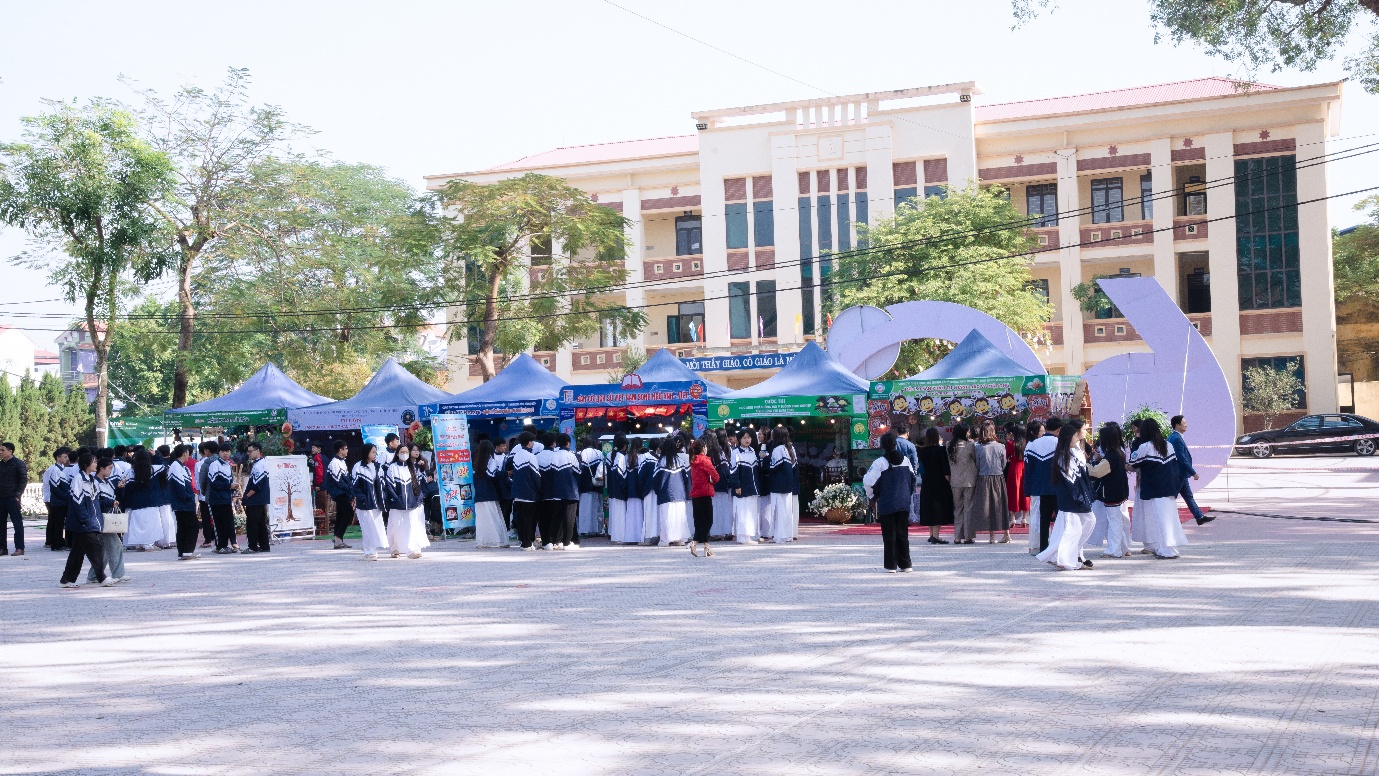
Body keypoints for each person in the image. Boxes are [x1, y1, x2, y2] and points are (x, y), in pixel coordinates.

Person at [1036, 418, 1096, 571]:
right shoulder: (1063, 455)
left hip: (1077, 496)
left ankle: (1066, 556)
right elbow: (1070, 479)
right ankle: (1066, 559)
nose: (1078, 437)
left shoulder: (1074, 451)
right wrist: (1078, 496)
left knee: (1080, 525)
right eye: (1075, 435)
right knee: (1072, 529)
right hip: (1071, 497)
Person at [1130, 418, 1189, 559]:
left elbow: (1133, 463)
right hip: (1169, 487)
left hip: (1154, 488)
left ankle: (1167, 550)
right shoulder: (1168, 445)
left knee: (1160, 520)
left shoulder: (1145, 447)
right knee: (1169, 519)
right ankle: (1167, 547)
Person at [59, 452, 115, 588]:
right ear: (86, 465)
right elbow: (77, 502)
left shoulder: (92, 480)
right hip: (84, 523)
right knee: (96, 548)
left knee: (77, 553)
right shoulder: (78, 479)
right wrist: (84, 519)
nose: (96, 464)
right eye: (94, 462)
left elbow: (96, 502)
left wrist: (109, 504)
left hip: (91, 521)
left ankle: (66, 580)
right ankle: (101, 577)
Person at [863, 431, 916, 573]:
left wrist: (872, 496)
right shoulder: (906, 460)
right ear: (895, 445)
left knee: (889, 535)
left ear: (882, 446)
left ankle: (891, 565)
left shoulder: (880, 462)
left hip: (887, 502)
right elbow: (912, 479)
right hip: (903, 502)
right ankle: (906, 564)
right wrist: (907, 494)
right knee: (903, 534)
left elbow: (868, 481)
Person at [1090, 422, 1132, 558]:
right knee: (1118, 520)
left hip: (1112, 492)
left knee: (1114, 521)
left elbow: (1096, 472)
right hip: (1120, 491)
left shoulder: (1110, 457)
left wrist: (1086, 464)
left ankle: (1114, 550)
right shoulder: (1118, 452)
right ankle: (1123, 548)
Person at [85, 457, 129, 584]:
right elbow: (96, 502)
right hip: (103, 518)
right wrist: (110, 502)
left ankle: (93, 575)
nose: (110, 471)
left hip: (109, 517)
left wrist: (119, 488)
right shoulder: (95, 483)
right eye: (109, 468)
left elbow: (115, 498)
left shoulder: (108, 482)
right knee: (115, 545)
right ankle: (118, 573)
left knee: (103, 550)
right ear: (102, 468)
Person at [383, 444, 428, 559]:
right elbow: (389, 486)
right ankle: (395, 548)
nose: (404, 454)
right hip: (397, 504)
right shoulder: (392, 467)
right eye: (402, 452)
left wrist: (417, 499)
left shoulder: (412, 467)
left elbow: (418, 485)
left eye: (406, 452)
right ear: (397, 454)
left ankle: (411, 549)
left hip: (411, 503)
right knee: (395, 526)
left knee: (411, 526)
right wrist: (396, 499)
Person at [970, 420, 1011, 544]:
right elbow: (1003, 464)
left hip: (983, 478)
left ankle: (992, 536)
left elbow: (977, 464)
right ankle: (1006, 534)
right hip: (998, 477)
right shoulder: (1001, 446)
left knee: (987, 507)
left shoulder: (978, 447)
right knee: (1001, 505)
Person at [1024, 417, 1061, 554]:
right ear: (1059, 429)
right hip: (1056, 487)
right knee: (1060, 518)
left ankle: (1040, 547)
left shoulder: (1033, 445)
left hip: (1038, 488)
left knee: (1041, 518)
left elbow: (1028, 469)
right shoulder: (1059, 444)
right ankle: (1058, 547)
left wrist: (1028, 489)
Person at [538, 433, 581, 550]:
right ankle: (567, 542)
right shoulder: (570, 455)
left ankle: (550, 542)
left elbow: (551, 472)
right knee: (569, 517)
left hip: (556, 491)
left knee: (556, 517)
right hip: (570, 491)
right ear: (568, 443)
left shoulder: (554, 455)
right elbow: (578, 471)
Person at [1168, 415, 1213, 525]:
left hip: (1180, 473)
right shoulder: (1176, 439)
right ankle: (1167, 519)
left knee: (1188, 496)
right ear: (1177, 425)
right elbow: (1181, 458)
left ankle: (1199, 517)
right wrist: (1193, 472)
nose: (1186, 425)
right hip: (1178, 473)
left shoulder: (1174, 437)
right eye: (1184, 423)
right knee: (1171, 498)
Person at [122, 450, 166, 552]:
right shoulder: (153, 469)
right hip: (151, 501)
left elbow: (126, 487)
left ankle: (140, 544)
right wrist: (156, 456)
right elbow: (163, 467)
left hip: (136, 502)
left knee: (138, 524)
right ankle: (149, 545)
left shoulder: (130, 472)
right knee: (151, 524)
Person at [916, 428, 954, 544]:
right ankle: (936, 535)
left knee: (929, 506)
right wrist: (949, 482)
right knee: (938, 508)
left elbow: (920, 466)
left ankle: (931, 534)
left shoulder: (922, 451)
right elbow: (946, 469)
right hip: (939, 480)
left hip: (927, 480)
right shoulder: (941, 450)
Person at [351, 443, 387, 560]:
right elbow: (355, 486)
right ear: (366, 453)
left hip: (376, 503)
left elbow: (383, 484)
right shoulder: (358, 467)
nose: (375, 454)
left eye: (376, 452)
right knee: (367, 528)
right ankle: (370, 551)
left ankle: (373, 548)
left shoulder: (377, 467)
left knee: (376, 526)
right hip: (364, 504)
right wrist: (362, 498)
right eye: (373, 452)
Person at [655, 435, 692, 547]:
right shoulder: (680, 461)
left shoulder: (661, 461)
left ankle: (665, 540)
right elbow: (686, 478)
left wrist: (658, 491)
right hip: (680, 494)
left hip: (666, 494)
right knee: (679, 517)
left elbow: (656, 479)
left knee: (667, 517)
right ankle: (680, 539)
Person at [508, 432, 542, 551]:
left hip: (517, 492)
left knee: (521, 519)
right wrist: (540, 489)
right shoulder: (530, 456)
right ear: (529, 443)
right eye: (532, 441)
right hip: (529, 493)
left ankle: (523, 542)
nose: (533, 444)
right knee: (529, 519)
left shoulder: (516, 455)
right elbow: (535, 475)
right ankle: (528, 543)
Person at [473, 439, 509, 548]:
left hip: (479, 494)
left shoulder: (477, 462)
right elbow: (493, 475)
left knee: (482, 520)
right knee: (494, 518)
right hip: (489, 493)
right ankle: (498, 541)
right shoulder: (491, 461)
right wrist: (506, 473)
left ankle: (484, 541)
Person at [167, 444, 201, 560]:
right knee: (192, 526)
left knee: (183, 527)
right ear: (184, 453)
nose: (189, 455)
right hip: (183, 503)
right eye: (187, 452)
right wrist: (188, 498)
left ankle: (183, 552)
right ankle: (187, 551)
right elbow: (179, 486)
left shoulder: (181, 467)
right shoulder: (176, 466)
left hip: (183, 503)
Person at [689, 438, 720, 557]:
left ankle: (707, 547)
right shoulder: (705, 461)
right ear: (703, 448)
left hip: (695, 493)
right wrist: (711, 480)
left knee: (699, 521)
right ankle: (694, 541)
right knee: (708, 521)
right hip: (705, 492)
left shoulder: (693, 460)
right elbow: (716, 477)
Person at [947, 425, 978, 544]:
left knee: (957, 509)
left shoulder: (949, 444)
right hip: (969, 480)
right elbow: (975, 459)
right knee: (968, 508)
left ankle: (957, 537)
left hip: (955, 480)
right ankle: (968, 536)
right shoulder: (970, 444)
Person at [729, 429, 761, 544]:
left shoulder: (752, 451)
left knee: (752, 512)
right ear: (739, 439)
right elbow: (733, 471)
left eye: (748, 437)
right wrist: (737, 485)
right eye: (744, 438)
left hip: (752, 488)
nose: (747, 440)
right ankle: (743, 537)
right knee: (742, 512)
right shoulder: (736, 452)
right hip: (742, 488)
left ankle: (751, 535)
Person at [206, 443, 238, 554]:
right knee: (219, 523)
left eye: (228, 451)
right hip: (217, 500)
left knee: (227, 523)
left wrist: (233, 488)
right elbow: (213, 483)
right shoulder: (214, 465)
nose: (226, 453)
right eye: (223, 451)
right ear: (219, 452)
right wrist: (229, 486)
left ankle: (225, 545)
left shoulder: (228, 465)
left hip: (226, 499)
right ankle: (220, 546)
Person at [768, 427, 799, 544]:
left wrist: (765, 460)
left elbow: (773, 467)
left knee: (778, 511)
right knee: (786, 510)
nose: (771, 436)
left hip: (777, 484)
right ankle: (787, 535)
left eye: (773, 434)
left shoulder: (777, 449)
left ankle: (779, 536)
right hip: (788, 484)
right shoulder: (790, 448)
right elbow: (794, 467)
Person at [240, 442, 271, 554]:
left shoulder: (259, 465)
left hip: (256, 499)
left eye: (250, 451)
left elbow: (257, 485)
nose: (249, 454)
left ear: (258, 451)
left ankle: (253, 546)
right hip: (260, 498)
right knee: (261, 522)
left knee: (252, 523)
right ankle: (264, 545)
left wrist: (247, 496)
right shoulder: (259, 463)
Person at [323, 441, 354, 550]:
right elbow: (338, 481)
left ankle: (338, 541)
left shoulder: (342, 462)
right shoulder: (334, 462)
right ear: (340, 450)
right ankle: (337, 537)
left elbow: (346, 479)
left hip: (343, 492)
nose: (347, 450)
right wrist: (349, 490)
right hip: (339, 492)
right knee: (349, 513)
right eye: (346, 448)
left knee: (341, 515)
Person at [0, 442, 28, 556]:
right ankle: (2, 548)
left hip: (13, 498)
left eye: (3, 450)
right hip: (1, 498)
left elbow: (23, 480)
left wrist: (17, 495)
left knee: (17, 524)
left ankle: (19, 548)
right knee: (1, 524)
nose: (0, 452)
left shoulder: (18, 463)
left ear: (10, 451)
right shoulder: (1, 464)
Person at [42, 447, 72, 552]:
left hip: (59, 500)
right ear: (58, 458)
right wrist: (64, 496)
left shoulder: (61, 469)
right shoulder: (55, 470)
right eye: (65, 457)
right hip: (57, 501)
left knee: (57, 522)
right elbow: (54, 486)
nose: (67, 459)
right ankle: (56, 543)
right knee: (57, 522)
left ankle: (56, 542)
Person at [576, 436, 605, 537]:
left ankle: (584, 530)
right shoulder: (599, 453)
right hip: (597, 484)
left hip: (584, 486)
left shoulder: (580, 453)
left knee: (584, 509)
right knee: (597, 508)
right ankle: (598, 530)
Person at [606, 435, 632, 544]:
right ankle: (620, 537)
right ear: (625, 446)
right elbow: (622, 476)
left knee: (615, 515)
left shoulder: (615, 455)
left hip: (613, 491)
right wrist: (625, 490)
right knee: (620, 516)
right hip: (620, 492)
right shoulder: (621, 457)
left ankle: (615, 536)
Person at [708, 432, 734, 540]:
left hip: (713, 484)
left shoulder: (709, 452)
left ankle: (716, 532)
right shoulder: (720, 451)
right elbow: (726, 469)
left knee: (714, 508)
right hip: (722, 484)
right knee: (723, 508)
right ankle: (725, 531)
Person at [1005, 426, 1030, 528]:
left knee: (1013, 492)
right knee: (1025, 493)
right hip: (1025, 468)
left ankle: (1013, 518)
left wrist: (1010, 459)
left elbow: (1006, 456)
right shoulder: (1027, 443)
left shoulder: (1011, 444)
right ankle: (1024, 518)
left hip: (1014, 469)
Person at [638, 439, 661, 545]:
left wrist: (641, 489)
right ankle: (657, 536)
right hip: (658, 490)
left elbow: (640, 474)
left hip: (647, 489)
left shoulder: (644, 456)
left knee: (648, 513)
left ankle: (647, 538)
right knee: (657, 513)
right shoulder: (660, 458)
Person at [195, 441, 217, 549]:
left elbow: (199, 481)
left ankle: (207, 539)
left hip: (204, 495)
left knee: (205, 517)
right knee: (217, 516)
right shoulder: (220, 462)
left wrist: (201, 492)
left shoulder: (199, 464)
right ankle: (218, 538)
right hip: (216, 494)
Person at [309, 441, 327, 516]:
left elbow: (319, 472)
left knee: (320, 508)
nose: (312, 449)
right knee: (325, 506)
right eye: (312, 447)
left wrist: (318, 485)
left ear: (319, 449)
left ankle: (321, 522)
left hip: (320, 486)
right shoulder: (325, 457)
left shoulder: (317, 457)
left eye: (314, 447)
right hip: (326, 485)